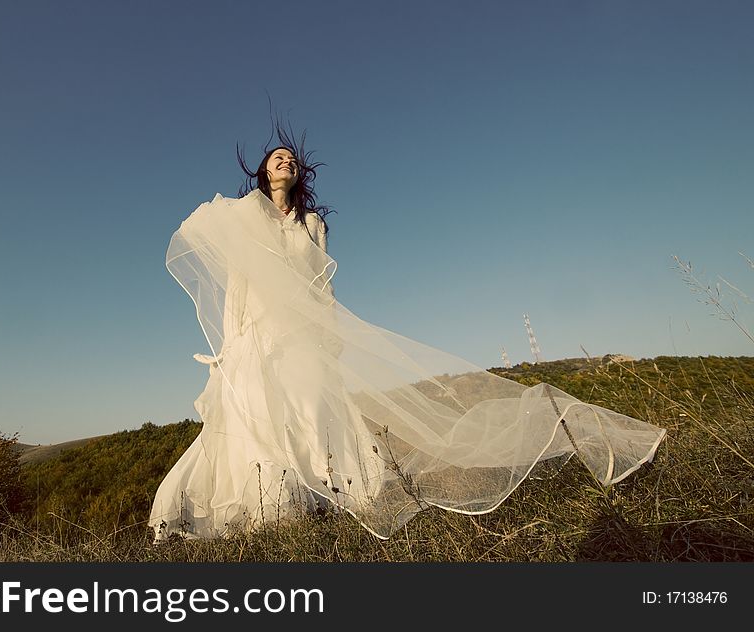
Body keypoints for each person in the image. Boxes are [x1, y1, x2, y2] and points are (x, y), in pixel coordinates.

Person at [148, 128, 667, 541]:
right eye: (276, 158)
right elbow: (231, 275)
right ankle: (271, 510)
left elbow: (321, 285)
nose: (284, 162)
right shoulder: (245, 216)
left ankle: (326, 494)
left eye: (291, 158)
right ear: (262, 170)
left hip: (303, 332)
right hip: (260, 333)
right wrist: (235, 342)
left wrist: (328, 333)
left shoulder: (311, 225)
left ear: (300, 172)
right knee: (263, 413)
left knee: (309, 409)